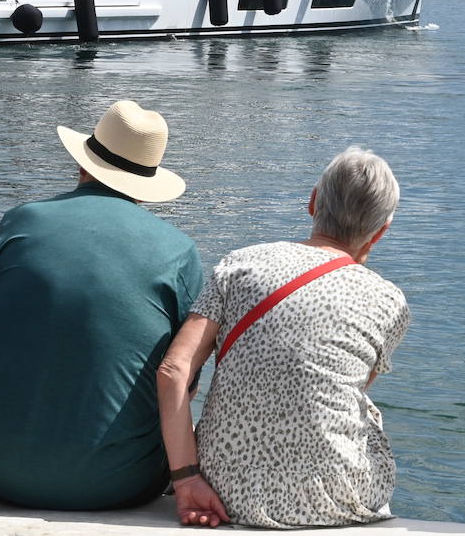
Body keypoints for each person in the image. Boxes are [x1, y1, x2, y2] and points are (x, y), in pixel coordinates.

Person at [157, 147, 409, 529]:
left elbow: (174, 371)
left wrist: (187, 477)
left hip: (225, 492)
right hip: (335, 500)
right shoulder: (389, 299)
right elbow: (347, 390)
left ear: (312, 202)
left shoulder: (240, 263)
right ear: (381, 231)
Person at [0, 100, 202, 510]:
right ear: (146, 185)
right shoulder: (177, 250)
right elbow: (184, 374)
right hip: (119, 483)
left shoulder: (18, 221)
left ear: (83, 164)